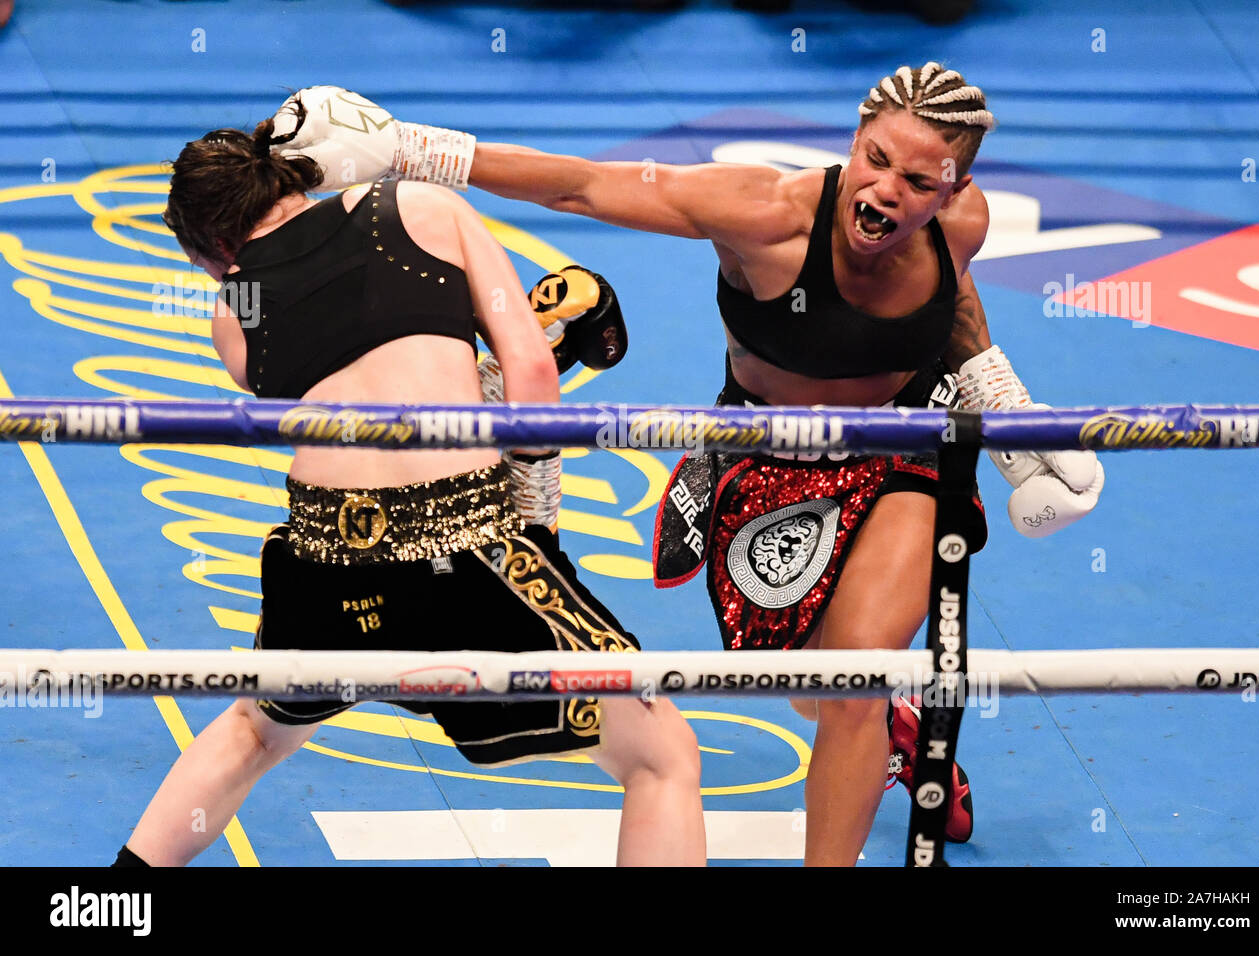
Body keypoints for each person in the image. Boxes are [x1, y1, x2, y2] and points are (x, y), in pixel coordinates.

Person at [272, 64, 1104, 865]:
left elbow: (950, 298)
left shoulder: (965, 222)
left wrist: (1014, 418)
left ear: (953, 191)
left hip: (902, 453)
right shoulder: (763, 212)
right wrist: (404, 147)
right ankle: (896, 723)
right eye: (876, 160)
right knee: (816, 692)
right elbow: (582, 185)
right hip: (762, 462)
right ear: (855, 139)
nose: (886, 191)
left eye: (919, 185)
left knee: (855, 676)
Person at [112, 104, 706, 867]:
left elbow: (364, 403)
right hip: (465, 545)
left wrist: (503, 370)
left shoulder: (234, 315)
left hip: (323, 560)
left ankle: (106, 907)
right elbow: (524, 380)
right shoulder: (419, 203)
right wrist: (539, 523)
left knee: (256, 729)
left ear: (218, 249)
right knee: (662, 757)